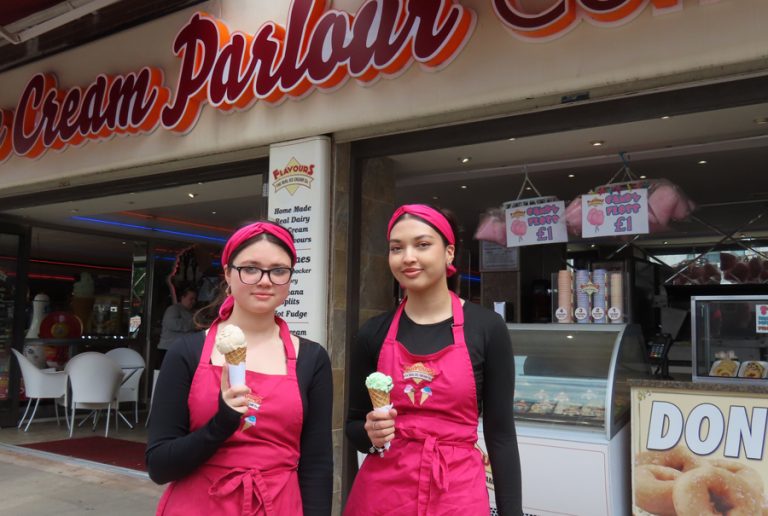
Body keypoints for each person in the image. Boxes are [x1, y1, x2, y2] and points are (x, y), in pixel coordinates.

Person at [344, 204, 523, 515]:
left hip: (456, 493)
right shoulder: (373, 333)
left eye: (422, 245)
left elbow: (501, 436)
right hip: (382, 496)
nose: (408, 257)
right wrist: (370, 434)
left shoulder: (487, 328)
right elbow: (354, 427)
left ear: (449, 253)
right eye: (396, 248)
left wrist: (512, 512)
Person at [146, 221, 333, 515]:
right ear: (228, 274)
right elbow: (159, 466)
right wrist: (221, 423)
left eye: (279, 270)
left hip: (280, 506)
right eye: (250, 268)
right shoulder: (187, 352)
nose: (265, 280)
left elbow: (317, 464)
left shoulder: (312, 358)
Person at [157, 286, 198, 365]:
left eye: (195, 299)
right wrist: (194, 325)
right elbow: (171, 323)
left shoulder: (190, 312)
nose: (193, 301)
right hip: (168, 349)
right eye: (191, 298)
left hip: (180, 350)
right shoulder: (173, 309)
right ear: (183, 297)